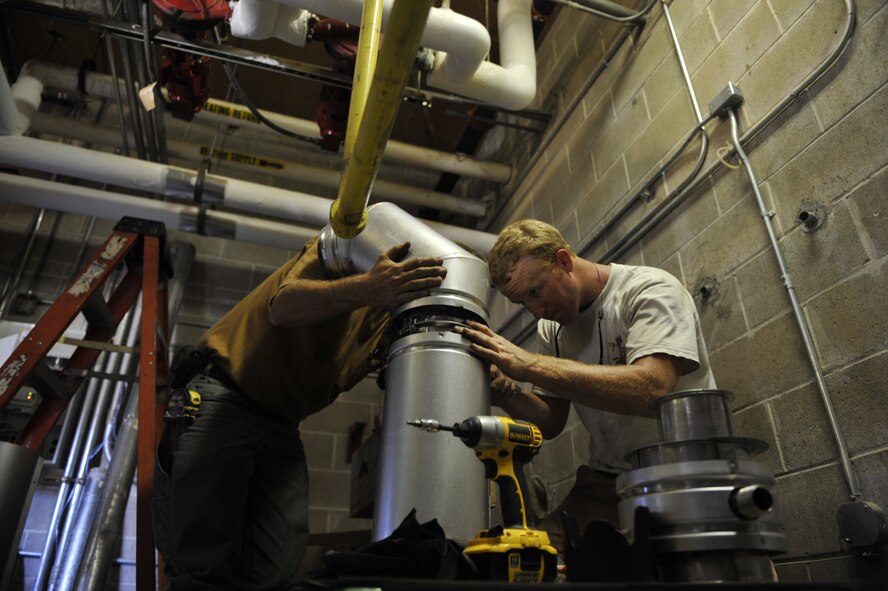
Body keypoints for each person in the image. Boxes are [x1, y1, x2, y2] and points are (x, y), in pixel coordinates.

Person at [152, 236, 447, 590]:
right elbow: (284, 307)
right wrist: (370, 288)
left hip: (282, 422)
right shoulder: (350, 252)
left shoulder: (396, 320)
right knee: (204, 564)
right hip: (228, 395)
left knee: (274, 564)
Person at [454, 219, 716, 550]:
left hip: (684, 471)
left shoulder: (649, 290)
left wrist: (529, 364)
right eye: (525, 303)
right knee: (535, 554)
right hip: (608, 479)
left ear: (564, 261)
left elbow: (653, 390)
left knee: (677, 567)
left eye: (536, 292)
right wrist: (507, 392)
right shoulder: (553, 329)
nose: (537, 312)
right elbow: (551, 421)